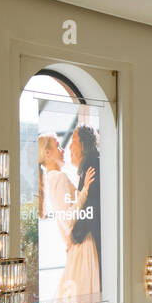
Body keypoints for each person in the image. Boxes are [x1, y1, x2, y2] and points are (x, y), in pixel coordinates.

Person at [40, 134, 98, 302]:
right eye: (58, 146)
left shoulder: (52, 179)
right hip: (81, 244)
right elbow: (68, 219)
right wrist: (86, 190)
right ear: (48, 153)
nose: (63, 150)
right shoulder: (58, 178)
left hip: (75, 244)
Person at [67, 125, 102, 292]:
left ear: (82, 145)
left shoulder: (91, 166)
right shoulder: (90, 165)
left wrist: (75, 235)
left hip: (93, 240)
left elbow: (92, 206)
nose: (70, 147)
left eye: (73, 142)